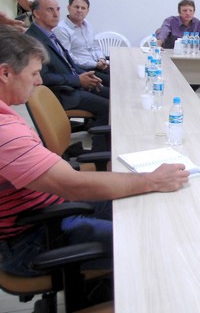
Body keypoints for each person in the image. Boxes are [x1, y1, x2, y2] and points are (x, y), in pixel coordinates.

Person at [0, 24, 189, 280]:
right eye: (34, 73)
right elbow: (72, 185)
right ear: (5, 73)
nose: (39, 81)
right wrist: (152, 180)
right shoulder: (5, 133)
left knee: (148, 208)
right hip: (33, 237)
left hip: (50, 209)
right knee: (152, 240)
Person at [26, 0, 110, 152]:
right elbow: (44, 77)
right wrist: (78, 80)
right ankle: (100, 155)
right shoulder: (33, 40)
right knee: (108, 107)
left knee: (113, 95)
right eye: (50, 10)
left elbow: (69, 63)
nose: (56, 14)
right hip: (64, 92)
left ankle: (103, 142)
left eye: (57, 9)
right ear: (36, 14)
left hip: (73, 83)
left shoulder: (49, 34)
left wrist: (86, 75)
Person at [54, 0, 110, 86]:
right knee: (114, 81)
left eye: (83, 8)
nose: (79, 10)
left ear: (87, 11)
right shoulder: (61, 29)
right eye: (76, 7)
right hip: (83, 70)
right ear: (68, 8)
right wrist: (95, 64)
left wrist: (101, 58)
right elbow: (68, 58)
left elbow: (95, 46)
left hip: (97, 62)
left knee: (122, 70)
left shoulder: (87, 25)